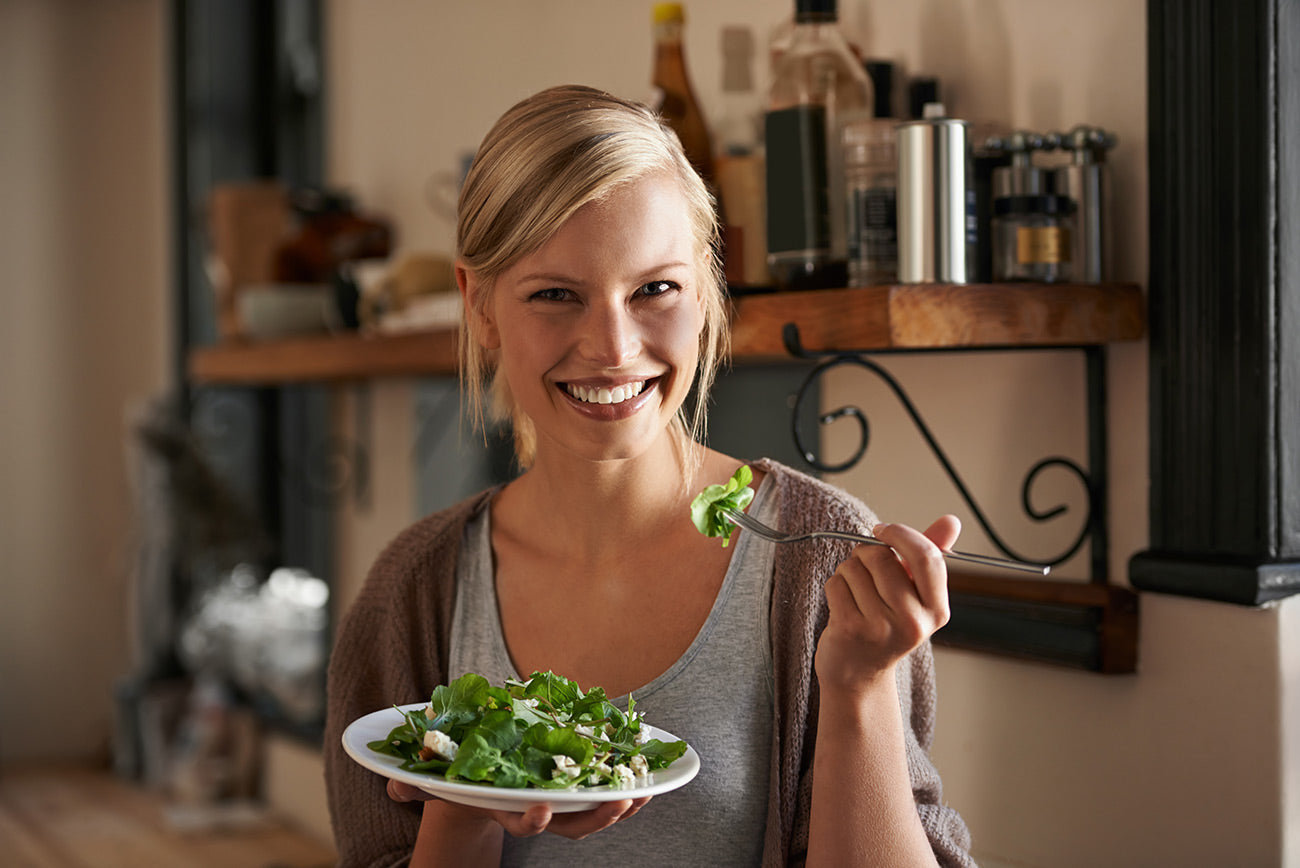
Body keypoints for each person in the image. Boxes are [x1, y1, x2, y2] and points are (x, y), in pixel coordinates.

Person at [323, 84, 974, 868]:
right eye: (556, 295)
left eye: (654, 289)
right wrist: (465, 809)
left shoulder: (819, 561)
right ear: (481, 307)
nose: (613, 347)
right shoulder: (412, 593)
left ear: (704, 293)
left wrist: (860, 687)